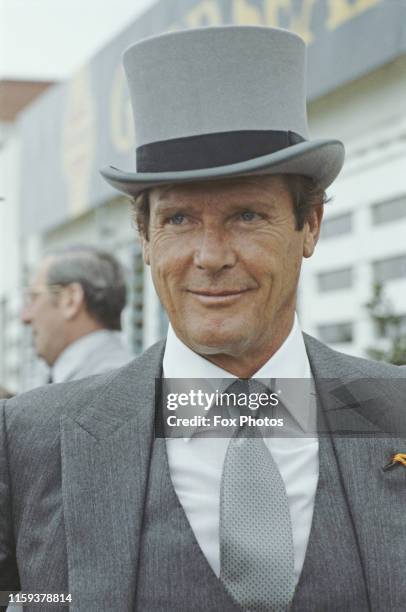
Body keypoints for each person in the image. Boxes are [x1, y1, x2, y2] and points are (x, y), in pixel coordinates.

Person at [1, 26, 405, 612]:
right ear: (144, 236)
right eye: (180, 220)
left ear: (310, 225)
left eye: (246, 214)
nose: (210, 256)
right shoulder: (30, 440)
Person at [20, 245, 132, 383]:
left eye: (34, 297)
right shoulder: (119, 377)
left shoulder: (105, 386)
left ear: (71, 300)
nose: (25, 317)